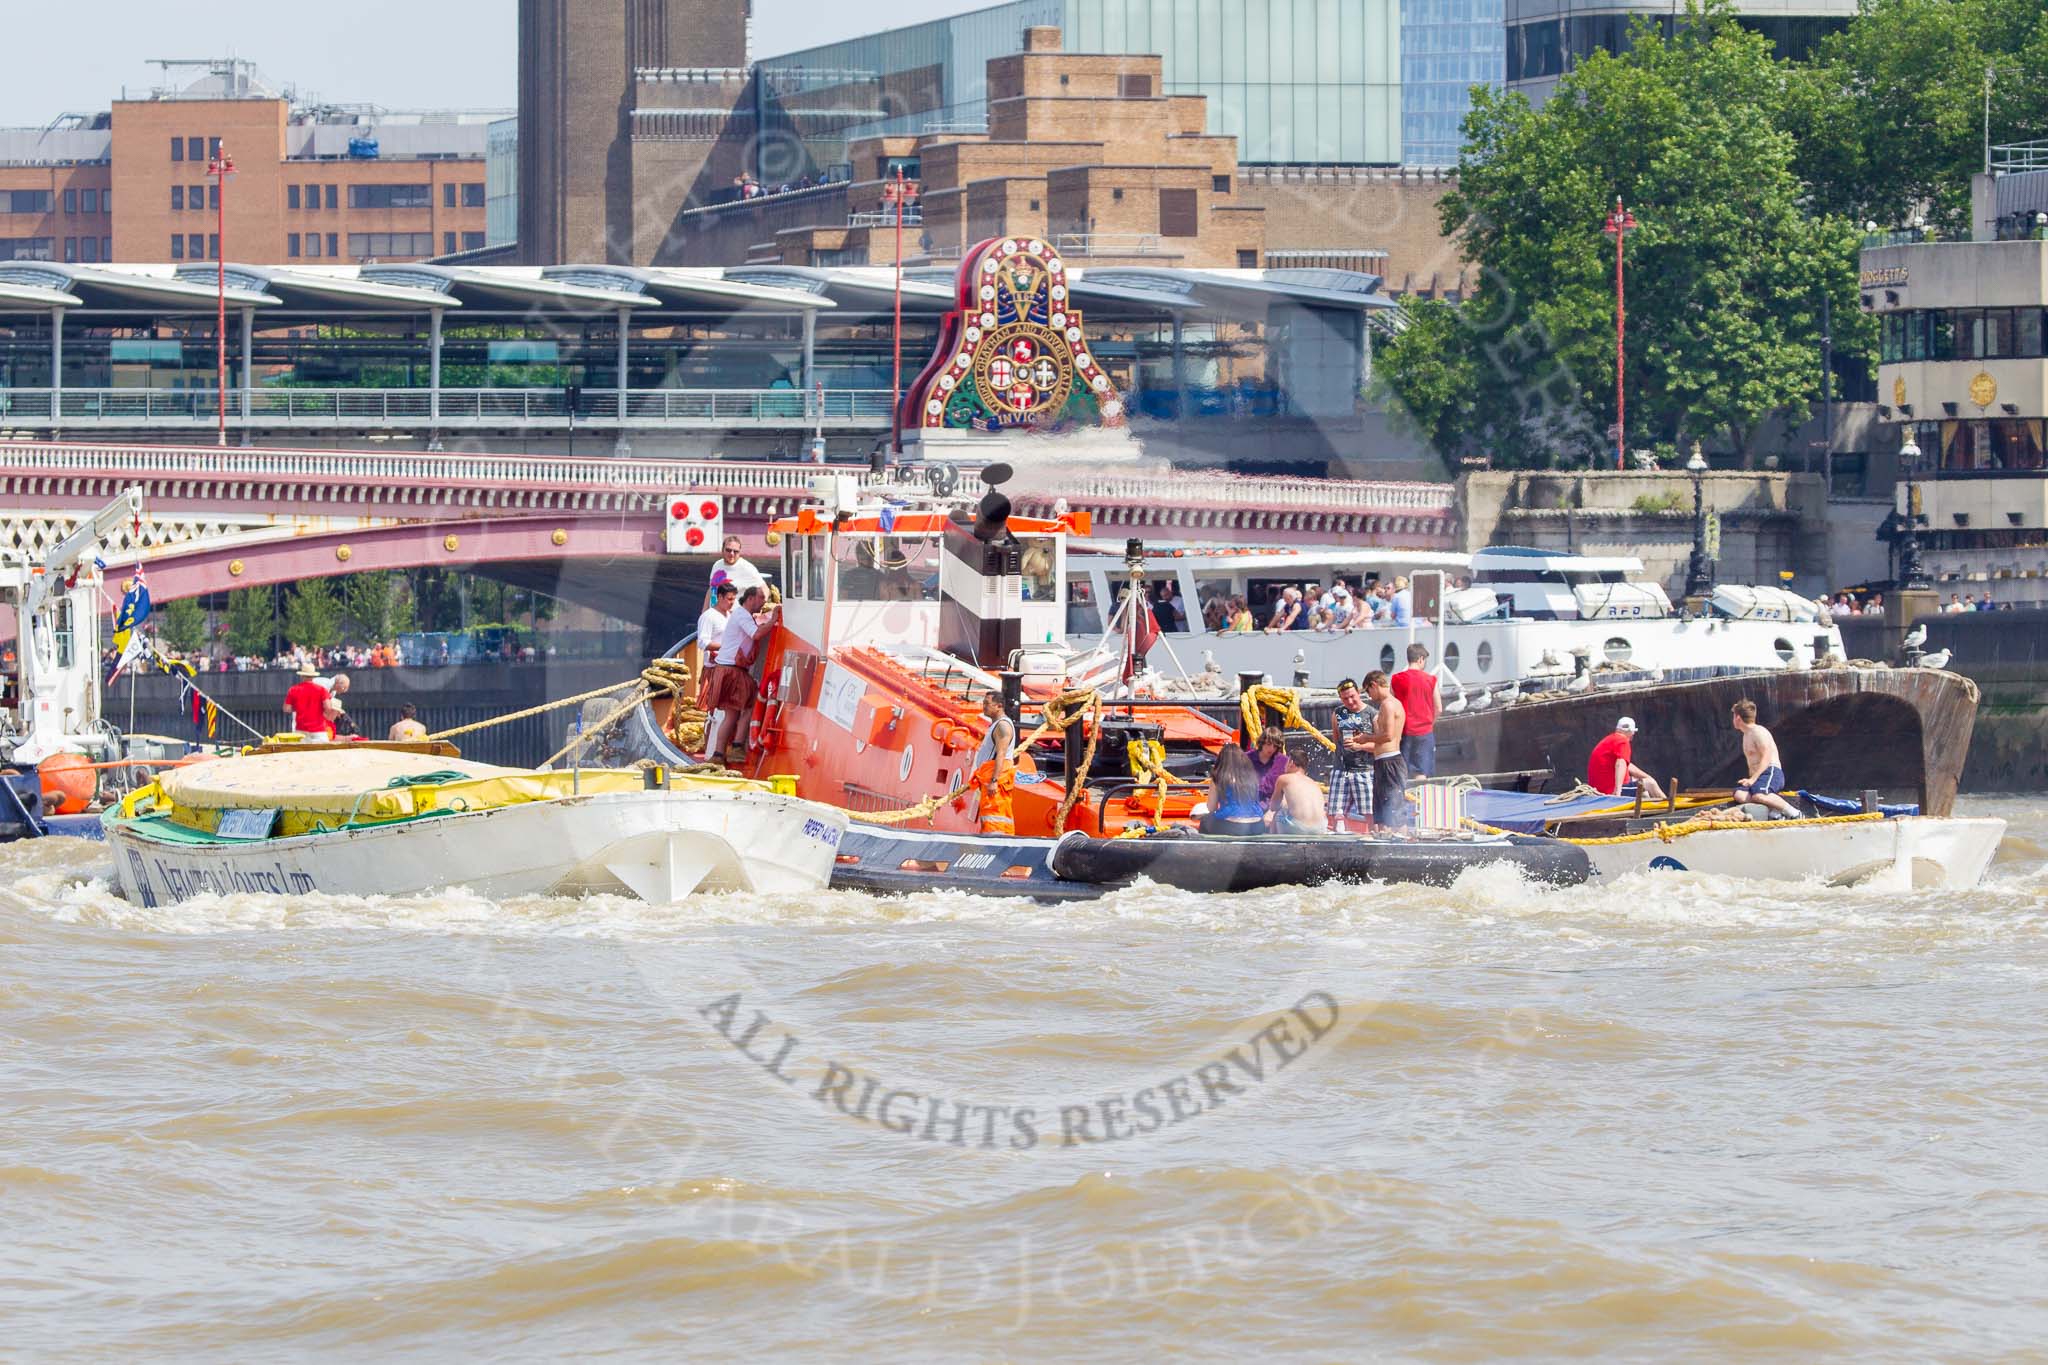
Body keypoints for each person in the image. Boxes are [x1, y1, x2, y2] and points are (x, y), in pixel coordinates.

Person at [704, 585, 776, 760]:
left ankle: (720, 753)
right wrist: (774, 619)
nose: (763, 603)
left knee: (732, 713)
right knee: (747, 705)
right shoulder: (742, 615)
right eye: (761, 599)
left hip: (727, 669)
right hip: (732, 670)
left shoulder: (740, 615)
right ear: (750, 598)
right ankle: (734, 748)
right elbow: (756, 634)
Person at [1730, 699, 1799, 817]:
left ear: (1738, 718)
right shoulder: (1746, 735)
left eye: (1733, 716)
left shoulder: (1758, 732)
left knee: (1759, 795)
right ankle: (1775, 811)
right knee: (1739, 794)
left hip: (1771, 772)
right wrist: (1750, 780)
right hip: (1758, 778)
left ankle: (1795, 813)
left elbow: (1766, 758)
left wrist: (1752, 780)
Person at [1328, 678, 1375, 833]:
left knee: (1370, 812)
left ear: (1358, 693)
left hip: (1365, 770)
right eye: (1345, 698)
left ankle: (1373, 840)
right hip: (1341, 769)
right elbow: (1336, 739)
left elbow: (1380, 745)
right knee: (1336, 813)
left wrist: (1359, 746)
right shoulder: (1338, 713)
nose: (1349, 701)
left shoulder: (1371, 714)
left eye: (1352, 696)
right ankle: (1337, 842)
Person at [1363, 670, 1409, 828]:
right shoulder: (1391, 705)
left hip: (1390, 761)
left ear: (1374, 685)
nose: (1369, 696)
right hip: (1383, 761)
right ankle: (1384, 840)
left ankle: (1399, 840)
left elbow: (1388, 736)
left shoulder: (1388, 704)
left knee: (1394, 810)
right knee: (1382, 812)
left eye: (1368, 691)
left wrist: (1365, 738)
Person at [1586, 716, 1667, 800]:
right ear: (1630, 732)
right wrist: (1618, 791)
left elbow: (1627, 766)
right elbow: (1620, 764)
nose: (1632, 737)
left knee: (1643, 781)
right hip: (1609, 791)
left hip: (1600, 789)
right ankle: (1669, 807)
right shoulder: (1622, 741)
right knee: (1651, 784)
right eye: (1633, 734)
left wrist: (1647, 776)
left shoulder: (1609, 740)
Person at [1389, 642, 1439, 777]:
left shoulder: (1396, 679)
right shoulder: (1431, 679)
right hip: (1424, 732)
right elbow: (1438, 707)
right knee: (1422, 772)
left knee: (1403, 771)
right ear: (1421, 659)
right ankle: (1421, 797)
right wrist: (1430, 723)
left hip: (1403, 731)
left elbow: (1390, 706)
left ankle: (1403, 797)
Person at [972, 691, 1018, 835]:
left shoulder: (1002, 727)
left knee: (995, 816)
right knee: (989, 817)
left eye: (987, 704)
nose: (983, 707)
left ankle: (995, 843)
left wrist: (994, 780)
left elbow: (1001, 755)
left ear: (999, 706)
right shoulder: (996, 725)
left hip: (995, 779)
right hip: (988, 778)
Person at [1201, 744, 1267, 836]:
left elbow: (1211, 808)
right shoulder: (1252, 777)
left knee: (1205, 821)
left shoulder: (1218, 777)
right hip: (1257, 825)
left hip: (1232, 826)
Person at [696, 581, 737, 701]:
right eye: (729, 599)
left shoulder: (729, 615)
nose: (732, 603)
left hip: (728, 668)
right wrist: (725, 647)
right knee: (709, 706)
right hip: (713, 670)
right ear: (719, 597)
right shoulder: (708, 617)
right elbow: (702, 642)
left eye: (734, 599)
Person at [1243, 727, 1291, 806]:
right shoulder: (1245, 758)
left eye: (1275, 746)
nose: (1271, 749)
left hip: (1273, 808)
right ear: (1262, 742)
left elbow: (1290, 787)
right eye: (1268, 744)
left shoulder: (1284, 761)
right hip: (1248, 806)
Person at [1269, 771, 1328, 836]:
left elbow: (1273, 807)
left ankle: (1274, 842)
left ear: (1291, 763)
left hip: (1299, 827)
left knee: (1278, 812)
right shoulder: (1313, 782)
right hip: (1320, 828)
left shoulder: (1284, 778)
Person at [282, 663, 331, 737]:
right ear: (313, 676)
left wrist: (298, 707)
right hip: (319, 730)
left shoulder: (293, 690)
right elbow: (328, 707)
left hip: (301, 730)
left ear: (301, 676)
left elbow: (286, 709)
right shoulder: (322, 690)